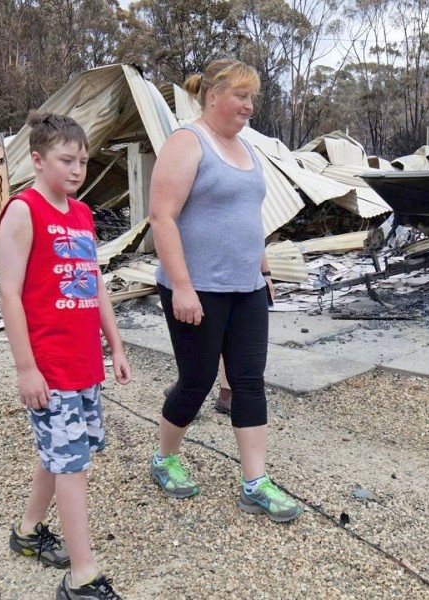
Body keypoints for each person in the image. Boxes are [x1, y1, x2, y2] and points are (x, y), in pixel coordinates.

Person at [148, 59, 300, 523]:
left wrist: (265, 269)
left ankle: (254, 482)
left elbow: (250, 216)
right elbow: (162, 218)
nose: (249, 106)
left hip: (247, 287)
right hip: (198, 290)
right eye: (241, 96)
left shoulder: (247, 149)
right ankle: (164, 458)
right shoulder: (186, 142)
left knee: (249, 382)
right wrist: (182, 287)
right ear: (213, 96)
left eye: (252, 97)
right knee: (196, 382)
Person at [0, 112, 132, 599]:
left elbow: (94, 283)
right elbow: (9, 294)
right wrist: (25, 368)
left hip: (84, 365)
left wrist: (114, 345)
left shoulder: (82, 214)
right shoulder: (23, 210)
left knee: (64, 454)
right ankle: (82, 575)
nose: (77, 169)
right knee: (73, 467)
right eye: (66, 160)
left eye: (82, 161)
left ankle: (29, 531)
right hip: (49, 369)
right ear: (37, 159)